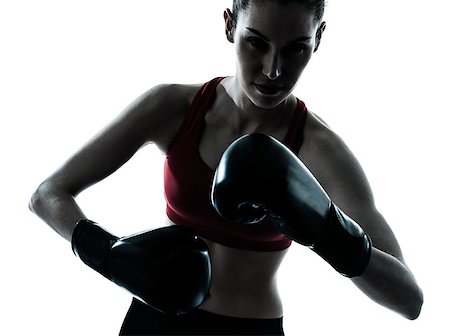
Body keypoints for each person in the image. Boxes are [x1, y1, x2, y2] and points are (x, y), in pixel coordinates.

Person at [29, 0, 424, 335]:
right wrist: (110, 256)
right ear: (230, 25)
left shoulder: (320, 150)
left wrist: (329, 230)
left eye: (296, 49)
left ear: (318, 38)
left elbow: (409, 299)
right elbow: (47, 195)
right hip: (153, 321)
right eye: (256, 43)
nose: (273, 70)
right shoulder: (174, 107)